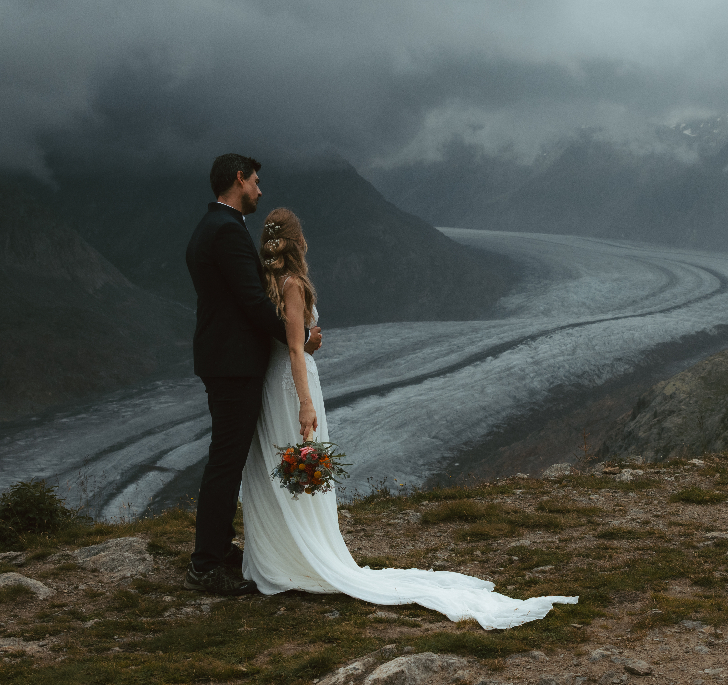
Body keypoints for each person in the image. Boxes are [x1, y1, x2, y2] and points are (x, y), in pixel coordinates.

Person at [240, 208, 577, 629]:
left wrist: (305, 345)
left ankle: (280, 554)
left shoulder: (263, 282)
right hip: (294, 384)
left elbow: (284, 342)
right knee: (302, 463)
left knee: (284, 467)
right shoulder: (293, 285)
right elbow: (295, 349)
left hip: (273, 384)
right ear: (298, 241)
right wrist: (306, 401)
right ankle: (306, 555)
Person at [184, 154, 323, 596]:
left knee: (228, 457)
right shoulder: (227, 231)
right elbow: (250, 301)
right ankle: (205, 565)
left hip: (222, 359)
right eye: (256, 182)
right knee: (226, 461)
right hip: (234, 363)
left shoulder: (211, 227)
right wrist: (296, 337)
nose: (260, 191)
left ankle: (217, 547)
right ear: (239, 179)